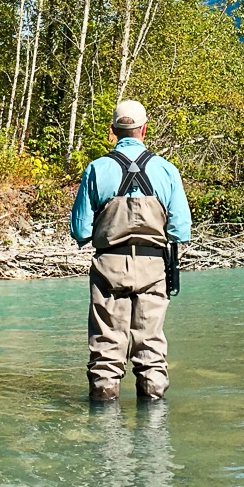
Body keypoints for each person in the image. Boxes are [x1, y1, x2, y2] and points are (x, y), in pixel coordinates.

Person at [70, 100, 191, 403]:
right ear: (144, 130)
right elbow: (180, 230)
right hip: (153, 266)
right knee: (150, 348)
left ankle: (104, 425)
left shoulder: (96, 169)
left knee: (107, 350)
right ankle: (153, 429)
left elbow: (81, 231)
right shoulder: (167, 170)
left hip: (109, 266)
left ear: (112, 131)